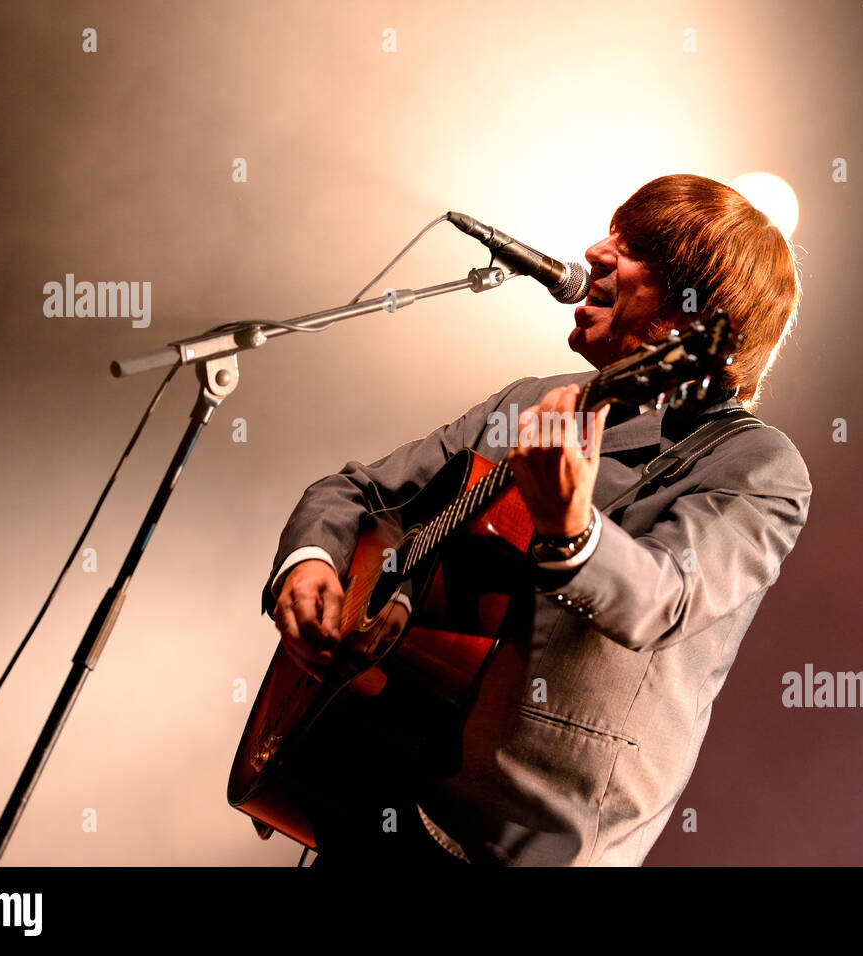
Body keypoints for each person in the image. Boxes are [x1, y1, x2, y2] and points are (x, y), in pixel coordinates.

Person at [263, 173, 811, 866]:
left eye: (635, 247)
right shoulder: (533, 400)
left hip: (515, 847)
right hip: (377, 790)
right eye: (610, 234)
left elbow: (664, 599)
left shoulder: (756, 464)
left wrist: (572, 531)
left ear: (693, 319)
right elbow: (358, 494)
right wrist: (309, 560)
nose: (595, 253)